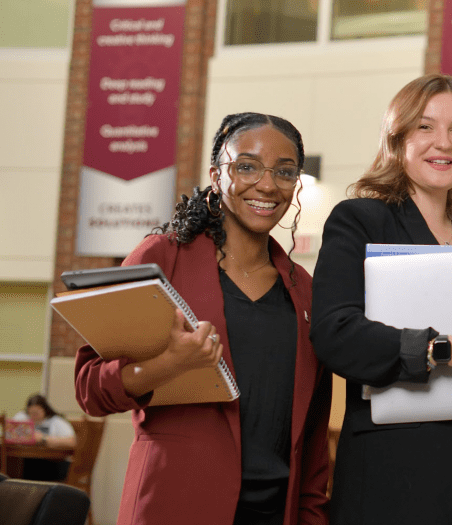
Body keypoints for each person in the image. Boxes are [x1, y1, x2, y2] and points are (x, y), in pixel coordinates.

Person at [74, 112, 331, 525]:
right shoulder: (161, 259)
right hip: (172, 506)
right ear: (216, 175)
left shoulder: (306, 292)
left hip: (272, 512)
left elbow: (314, 434)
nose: (267, 184)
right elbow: (89, 388)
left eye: (284, 172)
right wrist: (166, 365)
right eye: (246, 166)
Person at [310, 74, 452, 525]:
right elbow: (335, 334)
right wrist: (449, 349)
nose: (444, 143)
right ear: (397, 140)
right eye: (425, 127)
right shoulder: (360, 221)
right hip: (397, 476)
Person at [13, 393, 77, 481]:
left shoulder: (56, 421)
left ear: (45, 410)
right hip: (26, 460)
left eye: (36, 413)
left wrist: (43, 439)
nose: (33, 416)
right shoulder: (23, 417)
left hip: (52, 463)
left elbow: (72, 442)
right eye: (30, 413)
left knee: (33, 467)